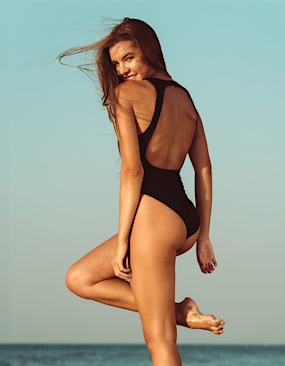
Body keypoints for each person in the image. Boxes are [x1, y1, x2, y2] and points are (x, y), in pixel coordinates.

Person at [59, 18, 225, 365]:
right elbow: (204, 168)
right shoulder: (186, 98)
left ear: (149, 49)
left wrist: (123, 241)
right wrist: (204, 234)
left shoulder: (126, 95)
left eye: (129, 58)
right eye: (117, 64)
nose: (122, 70)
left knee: (160, 341)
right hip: (184, 218)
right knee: (80, 277)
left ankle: (174, 315)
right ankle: (178, 311)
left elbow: (133, 171)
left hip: (154, 218)